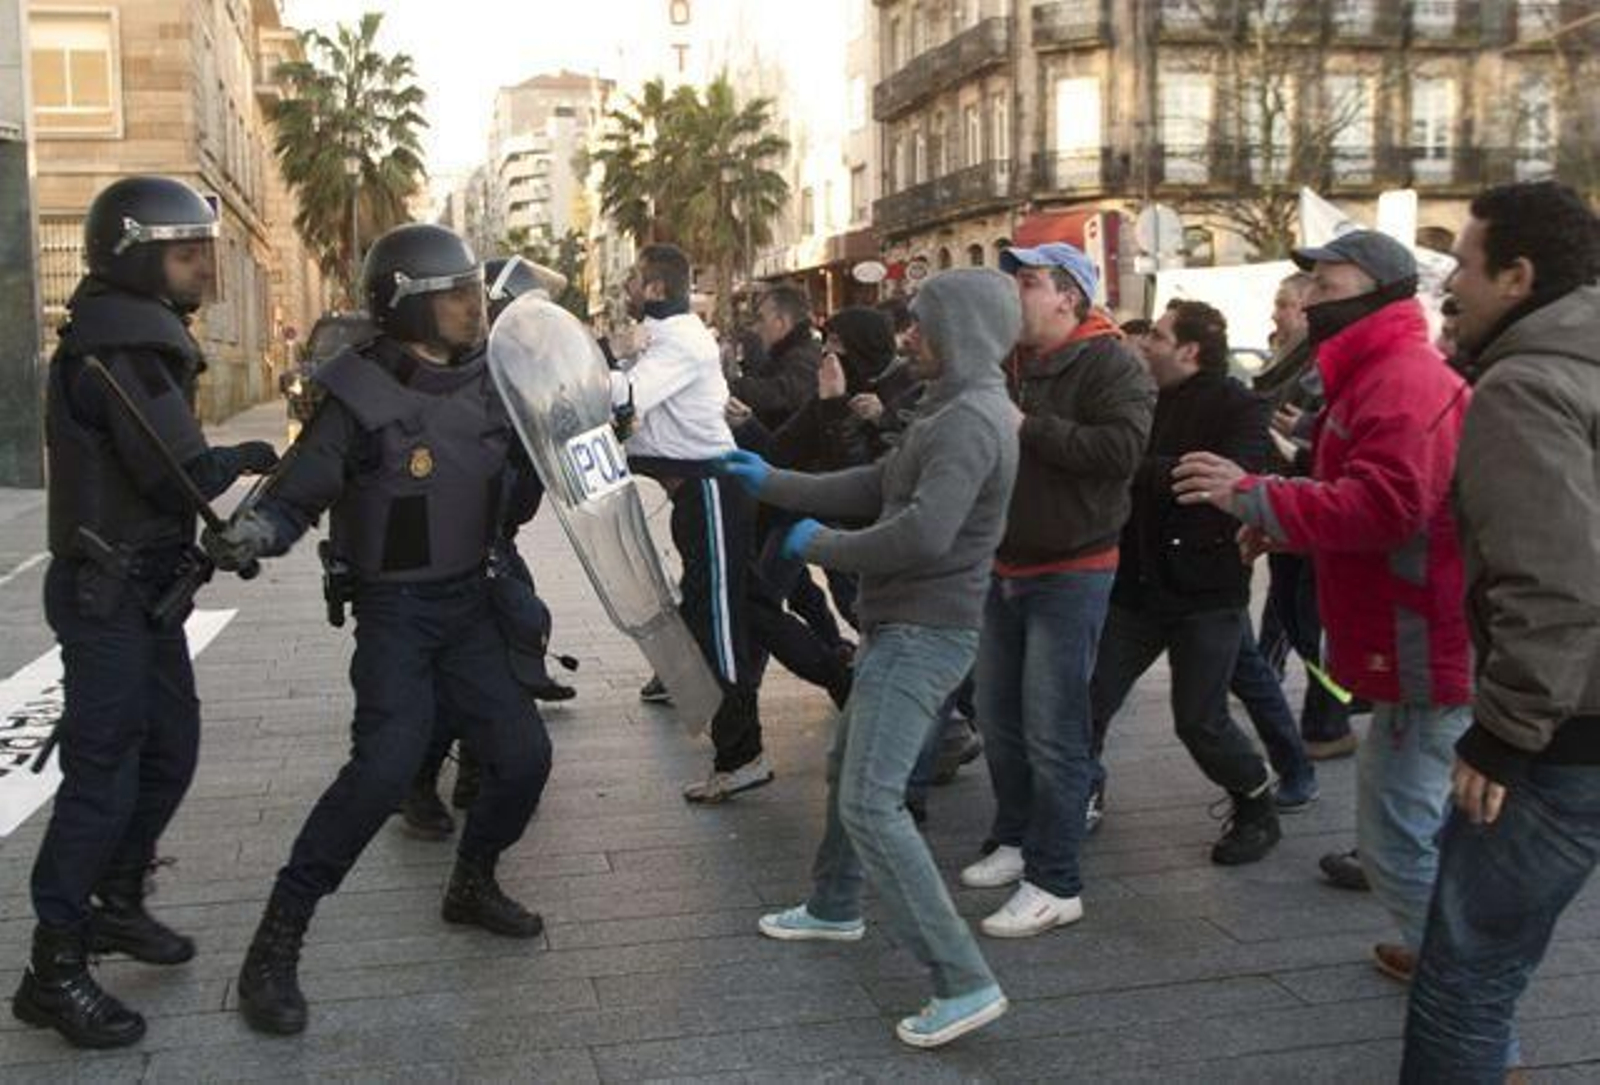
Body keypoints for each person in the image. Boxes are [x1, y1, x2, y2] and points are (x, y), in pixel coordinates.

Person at [203, 223, 554, 1036]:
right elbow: (296, 493)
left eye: (476, 290)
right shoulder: (356, 393)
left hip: (474, 602)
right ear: (407, 308)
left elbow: (538, 471)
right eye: (457, 294)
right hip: (398, 613)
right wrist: (254, 533)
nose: (475, 305)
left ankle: (471, 881)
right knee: (382, 768)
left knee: (525, 757)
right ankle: (277, 940)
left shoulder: (495, 380)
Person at [11, 176, 279, 1049]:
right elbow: (182, 470)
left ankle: (117, 900)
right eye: (184, 249)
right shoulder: (121, 349)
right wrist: (249, 451)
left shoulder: (133, 337)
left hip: (141, 591)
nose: (203, 262)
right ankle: (53, 968)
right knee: (103, 776)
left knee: (170, 748)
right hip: (108, 596)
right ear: (135, 254)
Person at [722, 267, 1021, 1048]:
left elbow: (924, 532)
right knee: (849, 764)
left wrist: (821, 544)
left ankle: (962, 978)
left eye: (920, 324)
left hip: (924, 630)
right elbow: (876, 482)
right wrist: (776, 482)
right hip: (904, 623)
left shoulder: (968, 422)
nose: (907, 336)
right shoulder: (945, 409)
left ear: (960, 333)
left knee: (870, 800)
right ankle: (833, 903)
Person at [1174, 229, 1472, 984]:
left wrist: (1257, 495)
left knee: (1395, 833)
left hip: (1421, 640)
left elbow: (1391, 505)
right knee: (1417, 816)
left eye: (1327, 289)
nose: (1309, 302)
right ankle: (1440, 947)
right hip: (1405, 633)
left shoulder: (1401, 379)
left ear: (1379, 294)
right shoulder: (1375, 372)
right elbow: (1363, 490)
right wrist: (1281, 525)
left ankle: (1464, 996)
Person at [1402, 180, 1600, 1082]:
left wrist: (1505, 734)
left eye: (1466, 269)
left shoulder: (1525, 386)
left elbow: (1553, 580)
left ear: (1518, 276)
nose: (1450, 289)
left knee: (1465, 980)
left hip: (1565, 737)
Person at [958, 243, 1153, 930]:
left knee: (1055, 729)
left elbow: (1121, 452)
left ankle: (1057, 878)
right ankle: (1015, 837)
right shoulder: (1010, 361)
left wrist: (1028, 427)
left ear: (1069, 296)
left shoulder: (1113, 361)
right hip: (1003, 562)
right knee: (999, 718)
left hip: (1072, 568)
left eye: (1031, 282)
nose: (1016, 293)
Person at [1089, 301, 1282, 867]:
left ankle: (1255, 801)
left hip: (1206, 591)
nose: (1146, 342)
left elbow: (1220, 478)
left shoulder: (1238, 405)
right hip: (1134, 586)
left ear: (1190, 351)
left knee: (1200, 720)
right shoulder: (1141, 399)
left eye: (1159, 334)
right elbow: (1159, 468)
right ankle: (1081, 792)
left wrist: (1131, 466)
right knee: (1086, 701)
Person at [397, 254, 576, 840]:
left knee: (514, 634)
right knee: (462, 665)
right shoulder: (455, 376)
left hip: (491, 539)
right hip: (443, 549)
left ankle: (479, 765)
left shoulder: (515, 378)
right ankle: (419, 781)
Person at [609, 244, 765, 803]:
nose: (626, 290)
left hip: (712, 491)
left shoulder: (679, 339)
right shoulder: (667, 337)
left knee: (718, 625)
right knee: (741, 612)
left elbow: (627, 396)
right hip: (698, 496)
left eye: (632, 281)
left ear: (653, 290)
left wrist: (582, 370)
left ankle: (741, 755)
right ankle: (832, 681)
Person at [729, 284, 822, 432]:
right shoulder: (784, 352)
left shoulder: (804, 357)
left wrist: (730, 386)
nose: (756, 328)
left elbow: (779, 394)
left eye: (761, 319)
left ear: (781, 322)